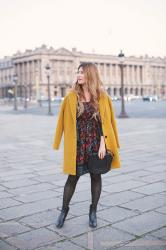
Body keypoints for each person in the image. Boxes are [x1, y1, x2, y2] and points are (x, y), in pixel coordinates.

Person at [53, 62, 121, 228]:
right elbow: (61, 120)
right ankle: (63, 210)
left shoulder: (102, 97)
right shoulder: (70, 97)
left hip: (96, 143)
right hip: (77, 143)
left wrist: (103, 145)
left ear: (90, 74)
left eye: (82, 72)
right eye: (78, 72)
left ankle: (93, 211)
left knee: (96, 176)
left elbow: (107, 122)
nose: (78, 75)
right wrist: (57, 141)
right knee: (72, 178)